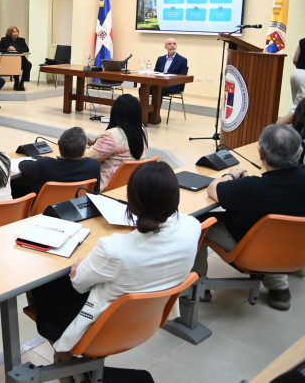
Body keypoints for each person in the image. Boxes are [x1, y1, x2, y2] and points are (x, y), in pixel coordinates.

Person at [30, 162, 199, 359]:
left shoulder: (114, 249)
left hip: (102, 325)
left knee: (42, 287)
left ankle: (65, 361)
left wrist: (82, 264)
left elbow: (78, 283)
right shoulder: (193, 227)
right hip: (145, 319)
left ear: (132, 201)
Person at [194, 124, 305, 311]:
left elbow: (213, 188)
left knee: (199, 221)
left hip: (249, 252)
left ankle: (196, 287)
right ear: (300, 150)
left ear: (260, 155)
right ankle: (279, 288)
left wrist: (231, 175)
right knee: (280, 230)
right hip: (297, 254)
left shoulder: (252, 188)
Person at [86, 94, 147, 189]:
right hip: (131, 186)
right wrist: (94, 143)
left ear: (115, 112)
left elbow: (87, 157)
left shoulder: (111, 135)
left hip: (107, 188)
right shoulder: (141, 130)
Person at [18, 126, 101, 194]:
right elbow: (95, 193)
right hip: (79, 209)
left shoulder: (45, 164)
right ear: (83, 152)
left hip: (44, 212)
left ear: (58, 143)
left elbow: (21, 165)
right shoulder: (94, 165)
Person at [277, 37, 305, 125]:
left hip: (296, 73)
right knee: (300, 107)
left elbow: (295, 60)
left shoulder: (303, 41)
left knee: (297, 104)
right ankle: (279, 126)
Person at [0, 25, 31, 91]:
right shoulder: (4, 40)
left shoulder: (21, 40)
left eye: (17, 31)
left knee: (28, 65)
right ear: (10, 33)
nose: (16, 33)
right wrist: (7, 49)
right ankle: (16, 83)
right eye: (14, 32)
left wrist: (16, 48)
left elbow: (26, 49)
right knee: (15, 65)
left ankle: (22, 83)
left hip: (21, 59)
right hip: (8, 60)